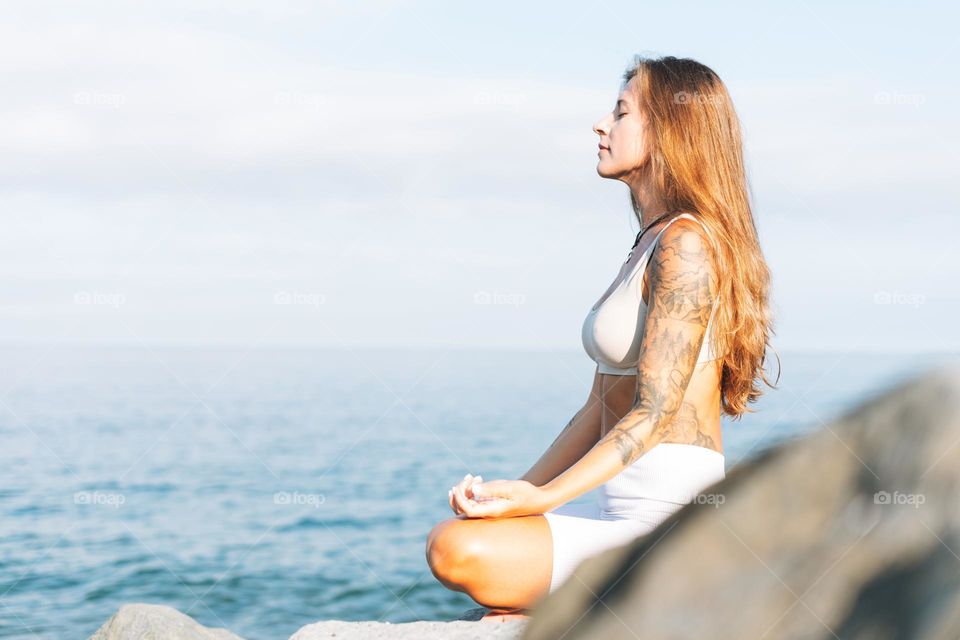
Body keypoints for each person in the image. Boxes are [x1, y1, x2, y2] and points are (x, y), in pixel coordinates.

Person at [425, 55, 779, 622]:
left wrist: (545, 501)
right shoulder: (649, 241)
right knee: (472, 536)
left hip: (667, 516)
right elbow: (597, 405)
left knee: (456, 549)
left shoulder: (685, 244)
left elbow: (658, 410)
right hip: (616, 509)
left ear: (670, 129)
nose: (600, 126)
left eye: (620, 113)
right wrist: (517, 491)